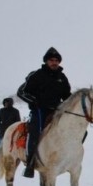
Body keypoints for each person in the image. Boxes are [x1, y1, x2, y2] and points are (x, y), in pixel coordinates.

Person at [17, 47, 72, 177]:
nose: (54, 62)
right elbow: (21, 92)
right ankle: (31, 162)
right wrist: (34, 101)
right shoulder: (36, 75)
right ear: (46, 61)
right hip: (39, 111)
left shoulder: (62, 77)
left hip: (57, 112)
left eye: (56, 60)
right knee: (35, 132)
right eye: (51, 60)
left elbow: (67, 96)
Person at [0, 97, 21, 165]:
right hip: (2, 131)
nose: (6, 104)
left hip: (12, 132)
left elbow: (18, 122)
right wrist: (0, 127)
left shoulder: (15, 111)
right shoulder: (2, 110)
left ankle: (11, 158)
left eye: (7, 102)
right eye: (5, 102)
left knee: (11, 145)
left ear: (11, 103)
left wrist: (14, 129)